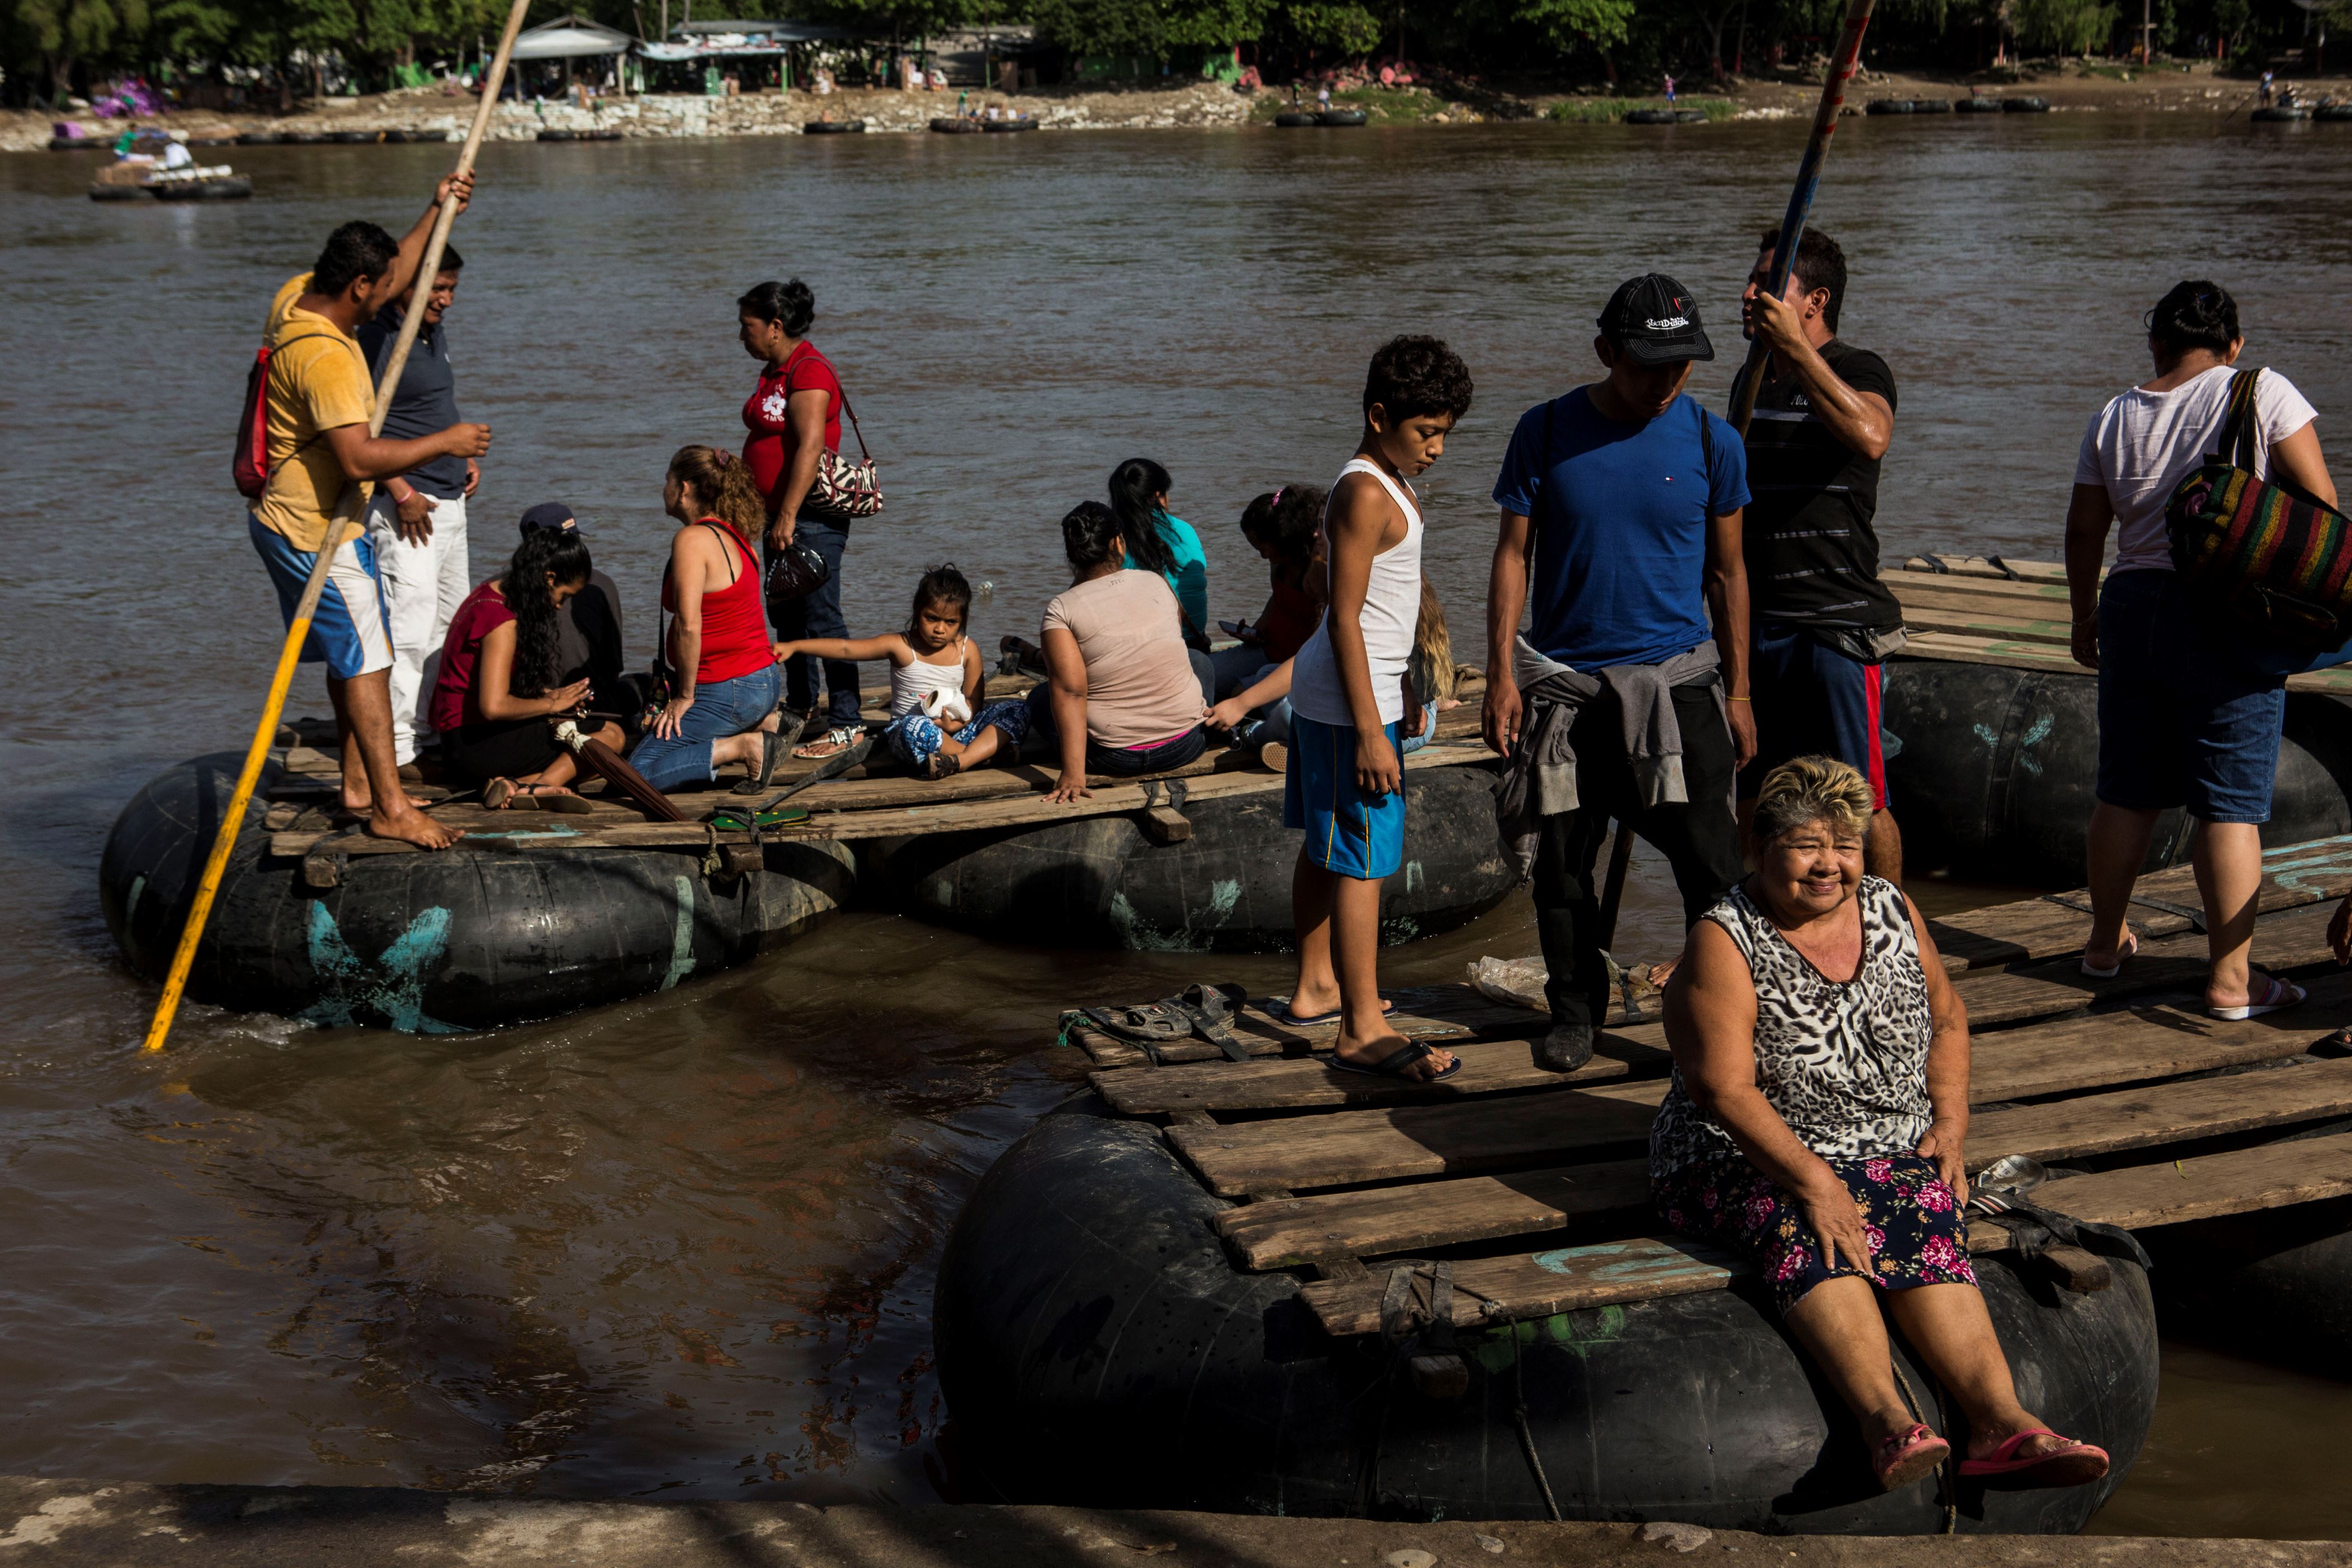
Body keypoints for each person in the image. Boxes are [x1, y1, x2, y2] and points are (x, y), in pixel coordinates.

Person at [1656, 757, 2112, 1494]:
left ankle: (2000, 1425)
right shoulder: (1724, 937)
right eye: (1807, 845)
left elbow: (1947, 1019)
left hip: (1881, 1139)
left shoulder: (1891, 908)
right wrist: (1814, 1181)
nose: (1829, 865)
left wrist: (1951, 1125)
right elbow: (1723, 1092)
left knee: (1921, 1204)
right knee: (1804, 1220)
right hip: (1744, 1149)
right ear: (1759, 845)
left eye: (1845, 846)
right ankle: (1884, 1423)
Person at [1485, 273, 1753, 1075]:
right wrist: (1502, 674)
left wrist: (1739, 691)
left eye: (1680, 366)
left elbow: (1730, 574)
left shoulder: (1713, 442)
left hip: (1678, 687)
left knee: (1713, 867)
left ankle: (1725, 1014)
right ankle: (1574, 1011)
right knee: (1562, 868)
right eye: (1646, 366)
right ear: (1605, 352)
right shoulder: (1544, 431)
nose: (1665, 382)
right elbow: (1511, 555)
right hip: (1568, 694)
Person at [2065, 280, 2336, 1017]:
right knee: (2229, 806)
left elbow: (2086, 528)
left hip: (2129, 606)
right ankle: (2229, 981)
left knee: (2125, 788)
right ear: (2232, 344)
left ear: (2155, 342)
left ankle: (2100, 945)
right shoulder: (2263, 391)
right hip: (2222, 612)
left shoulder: (2115, 414)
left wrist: (2080, 616)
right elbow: (2323, 515)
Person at [249, 179, 492, 851]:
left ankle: (360, 785)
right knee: (371, 660)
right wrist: (446, 442)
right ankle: (388, 805)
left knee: (357, 653)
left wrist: (439, 209)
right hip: (311, 527)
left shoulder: (296, 297)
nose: (390, 297)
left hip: (310, 517)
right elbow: (358, 459)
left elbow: (397, 263)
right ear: (359, 286)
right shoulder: (327, 355)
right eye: (383, 288)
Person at [1284, 335, 1475, 1080]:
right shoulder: (1366, 490)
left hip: (1338, 695)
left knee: (1327, 848)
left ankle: (1314, 986)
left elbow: (1318, 583)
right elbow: (1343, 617)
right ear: (1377, 415)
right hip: (1346, 708)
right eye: (1424, 432)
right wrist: (1373, 732)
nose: (1435, 448)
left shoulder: (1378, 484)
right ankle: (1360, 1028)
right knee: (1364, 862)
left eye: (1443, 435)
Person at [1736, 226, 1906, 882]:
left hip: (1836, 625)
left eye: (1769, 283)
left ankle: (1890, 931)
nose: (1750, 294)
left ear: (1814, 302)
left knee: (1859, 799)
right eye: (1753, 279)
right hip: (1760, 624)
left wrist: (1798, 355)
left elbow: (1870, 436)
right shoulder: (1749, 383)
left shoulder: (1858, 368)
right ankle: (1755, 935)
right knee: (1757, 796)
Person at [358, 241, 481, 768]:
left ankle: (432, 728)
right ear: (408, 280)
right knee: (407, 627)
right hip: (408, 505)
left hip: (451, 498)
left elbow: (428, 407)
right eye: (438, 288)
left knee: (450, 623)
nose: (447, 300)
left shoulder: (430, 330)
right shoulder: (379, 335)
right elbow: (356, 430)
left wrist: (462, 459)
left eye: (452, 290)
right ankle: (398, 746)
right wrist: (401, 489)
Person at [737, 277, 861, 753]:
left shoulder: (810, 370)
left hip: (809, 516)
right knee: (786, 615)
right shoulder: (774, 369)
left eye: (746, 326)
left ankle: (847, 720)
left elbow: (811, 446)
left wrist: (788, 514)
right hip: (777, 517)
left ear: (775, 326)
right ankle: (802, 706)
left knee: (822, 615)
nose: (741, 335)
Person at [630, 446, 790, 795]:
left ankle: (745, 745)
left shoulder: (691, 540)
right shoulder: (734, 534)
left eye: (667, 480)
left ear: (684, 488)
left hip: (728, 689)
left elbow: (689, 624)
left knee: (638, 773)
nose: (665, 489)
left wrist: (685, 697)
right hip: (762, 681)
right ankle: (765, 722)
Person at [774, 564, 1030, 780]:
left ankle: (960, 760)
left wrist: (957, 722)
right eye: (932, 619)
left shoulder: (968, 649)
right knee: (912, 725)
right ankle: (980, 755)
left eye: (950, 623)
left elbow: (973, 702)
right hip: (915, 733)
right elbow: (846, 649)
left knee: (1017, 708)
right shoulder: (901, 646)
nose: (940, 629)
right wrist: (795, 646)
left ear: (961, 621)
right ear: (917, 612)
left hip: (957, 729)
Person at [1029, 502, 1213, 802]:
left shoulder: (1062, 609)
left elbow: (1071, 693)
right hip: (1187, 745)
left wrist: (1074, 772)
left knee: (1039, 699)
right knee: (1200, 662)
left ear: (1072, 553)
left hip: (1115, 758)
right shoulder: (1155, 580)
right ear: (1118, 542)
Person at [428, 528, 625, 805]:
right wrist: (551, 704)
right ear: (549, 578)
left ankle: (510, 785)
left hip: (461, 740)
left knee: (599, 755)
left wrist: (549, 696)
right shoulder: (502, 620)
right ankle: (538, 787)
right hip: (474, 746)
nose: (560, 607)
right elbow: (494, 707)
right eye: (564, 596)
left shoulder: (489, 593)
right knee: (611, 738)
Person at [1210, 484, 1326, 700]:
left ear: (1284, 540)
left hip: (1296, 663)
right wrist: (1256, 632)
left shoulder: (1316, 570)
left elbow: (1319, 641)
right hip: (1267, 649)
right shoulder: (1279, 564)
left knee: (1241, 694)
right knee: (1205, 673)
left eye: (1263, 548)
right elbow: (1278, 599)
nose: (1263, 556)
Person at [516, 504, 628, 722]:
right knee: (641, 684)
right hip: (588, 704)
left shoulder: (502, 588)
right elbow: (613, 668)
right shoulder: (600, 584)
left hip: (530, 704)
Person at [1110, 458, 1212, 650]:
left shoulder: (1116, 540)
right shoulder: (1185, 530)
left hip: (1148, 648)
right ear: (1159, 495)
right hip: (1196, 643)